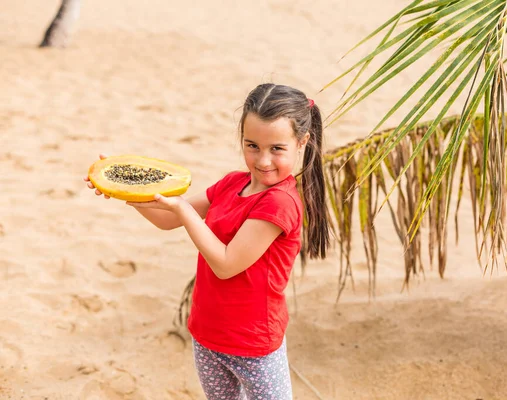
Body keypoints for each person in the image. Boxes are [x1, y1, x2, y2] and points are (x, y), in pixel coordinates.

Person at [84, 83, 330, 400]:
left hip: (254, 344)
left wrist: (183, 209)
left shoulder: (279, 203)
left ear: (302, 142)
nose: (263, 160)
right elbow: (169, 218)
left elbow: (226, 264)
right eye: (252, 145)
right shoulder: (232, 183)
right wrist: (122, 189)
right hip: (207, 333)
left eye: (277, 149)